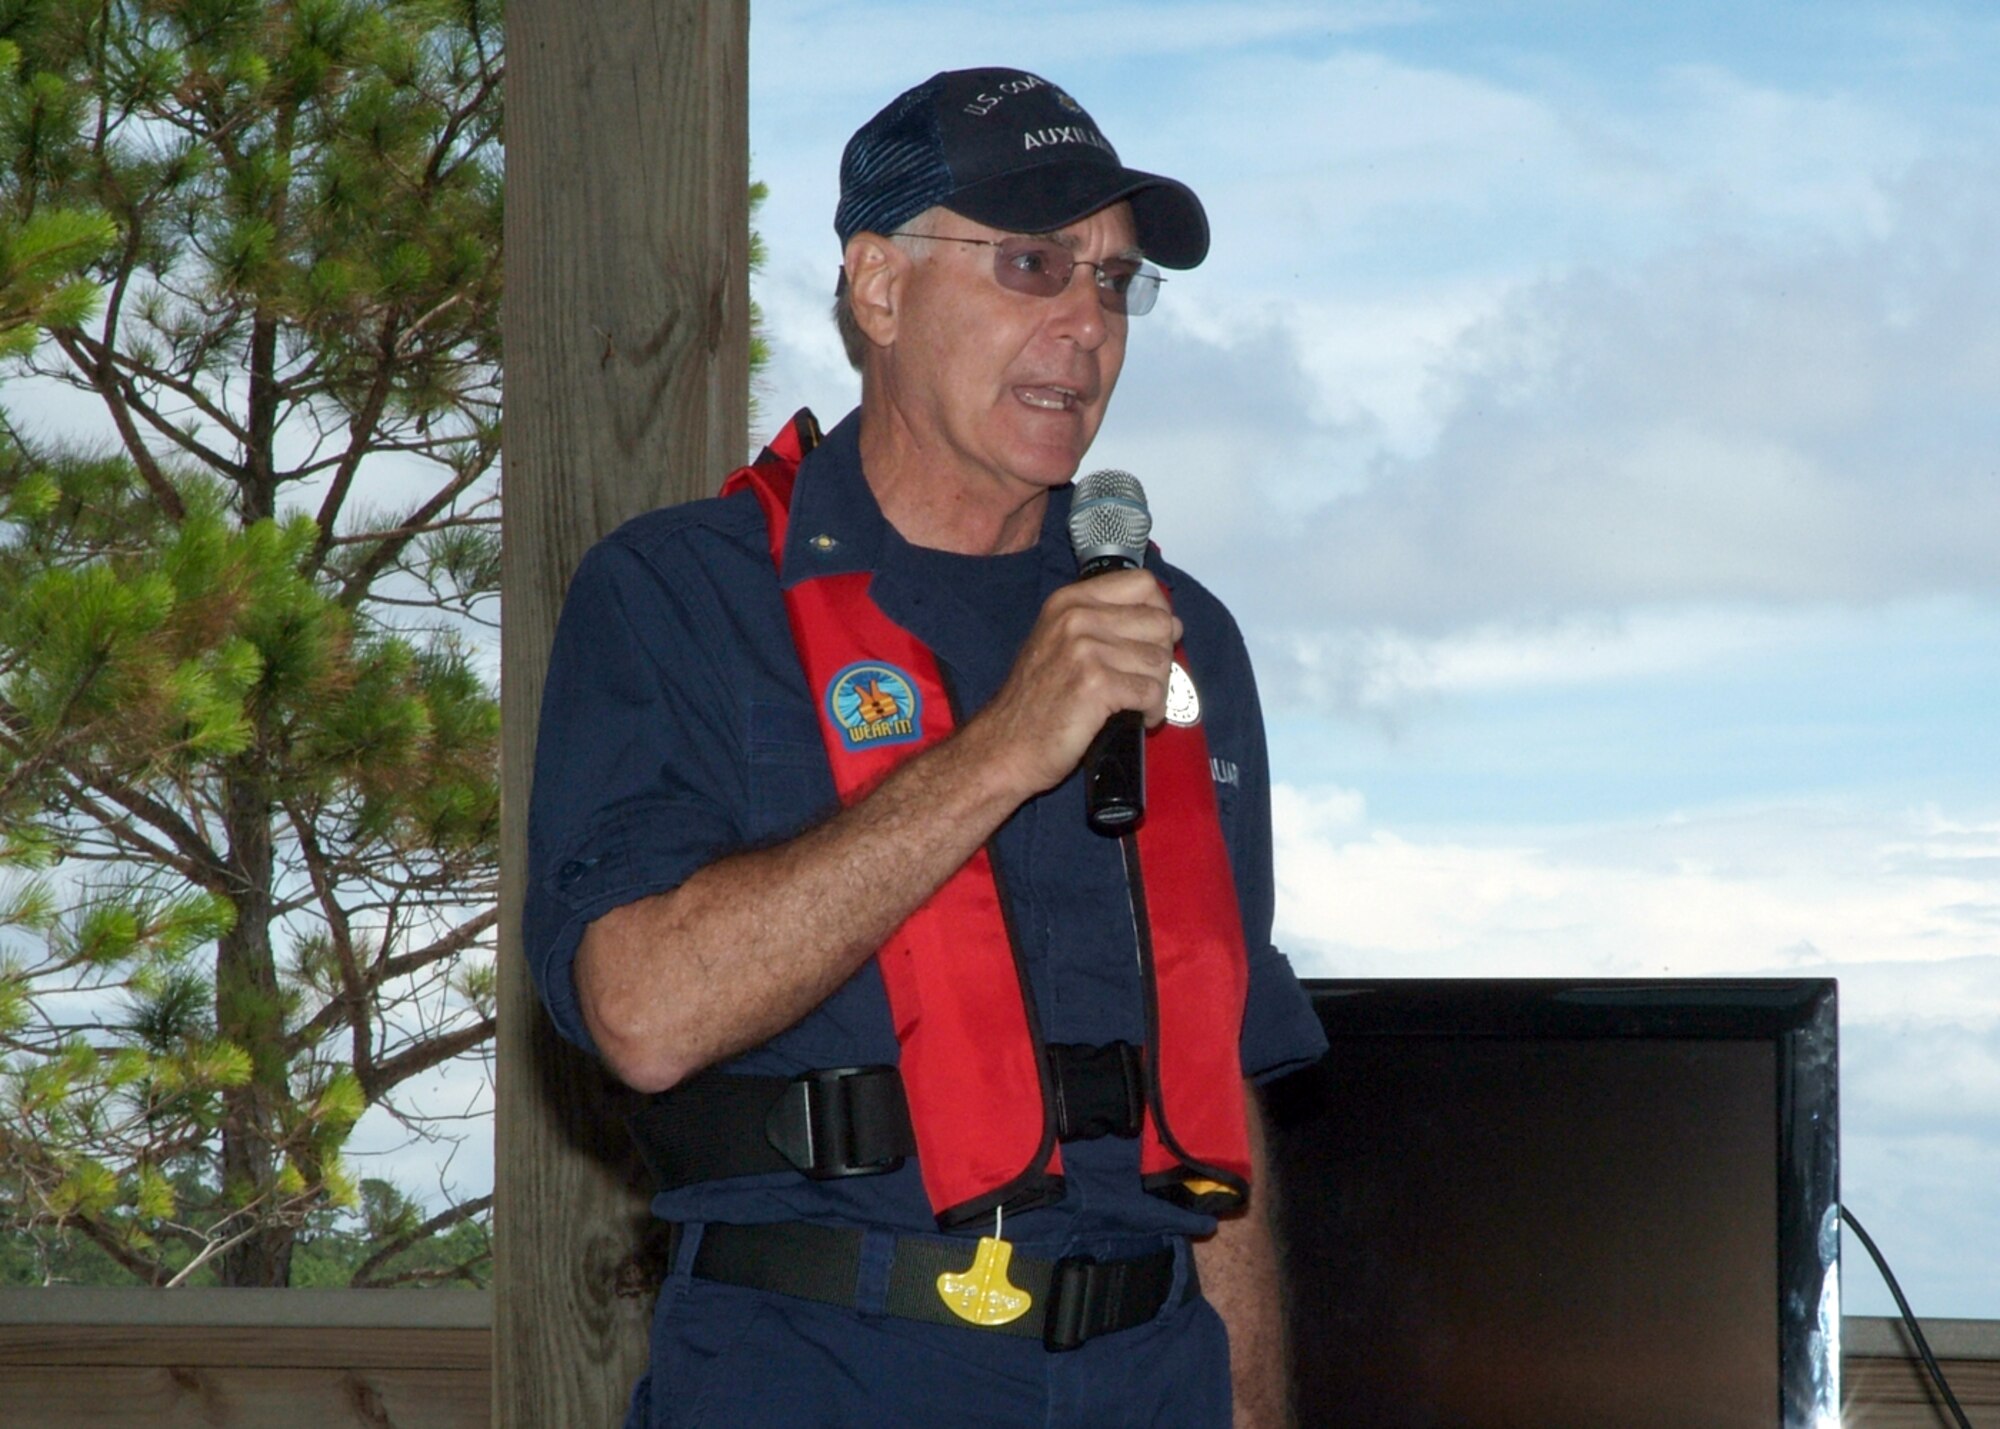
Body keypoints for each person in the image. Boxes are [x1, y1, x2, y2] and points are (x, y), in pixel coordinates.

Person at [524, 67, 1327, 1428]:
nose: (1085, 325)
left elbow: (1218, 1075)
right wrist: (1002, 748)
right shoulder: (682, 595)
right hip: (825, 1366)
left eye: (1114, 282)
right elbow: (644, 1014)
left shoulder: (1175, 635)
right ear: (879, 287)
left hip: (1150, 1373)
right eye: (1031, 265)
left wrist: (1251, 1411)